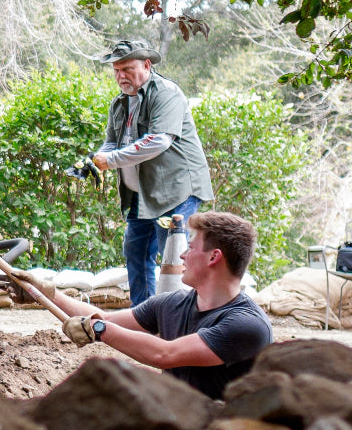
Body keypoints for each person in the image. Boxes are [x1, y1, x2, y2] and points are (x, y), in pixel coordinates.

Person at [38, 210, 271, 399]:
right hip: (178, 424)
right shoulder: (171, 304)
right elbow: (104, 318)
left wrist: (98, 329)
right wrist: (46, 293)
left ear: (214, 257)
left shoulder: (246, 324)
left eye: (190, 247)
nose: (182, 256)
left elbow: (165, 354)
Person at [82, 38, 215, 305]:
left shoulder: (166, 93)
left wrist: (112, 159)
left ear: (146, 64)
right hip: (140, 194)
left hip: (176, 191)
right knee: (136, 252)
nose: (121, 76)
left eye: (128, 69)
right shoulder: (119, 103)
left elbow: (159, 140)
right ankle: (144, 316)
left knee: (175, 256)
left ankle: (179, 318)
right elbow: (111, 142)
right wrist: (96, 159)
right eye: (116, 70)